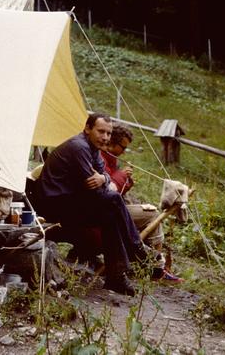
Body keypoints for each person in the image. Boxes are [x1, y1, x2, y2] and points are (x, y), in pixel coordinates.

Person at [38, 112, 149, 296]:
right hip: (53, 207)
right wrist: (104, 180)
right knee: (113, 200)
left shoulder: (93, 147)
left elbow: (102, 177)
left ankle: (116, 276)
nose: (105, 137)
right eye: (101, 131)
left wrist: (104, 178)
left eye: (108, 133)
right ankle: (136, 249)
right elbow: (95, 189)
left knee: (110, 213)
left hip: (70, 201)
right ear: (88, 128)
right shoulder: (79, 147)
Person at [101, 123, 184, 283]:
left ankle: (151, 265)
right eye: (122, 147)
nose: (124, 152)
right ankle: (155, 268)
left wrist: (126, 180)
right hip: (107, 212)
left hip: (114, 208)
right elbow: (107, 191)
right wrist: (121, 175)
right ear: (112, 143)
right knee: (152, 214)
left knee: (149, 213)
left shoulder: (111, 158)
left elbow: (117, 192)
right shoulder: (101, 158)